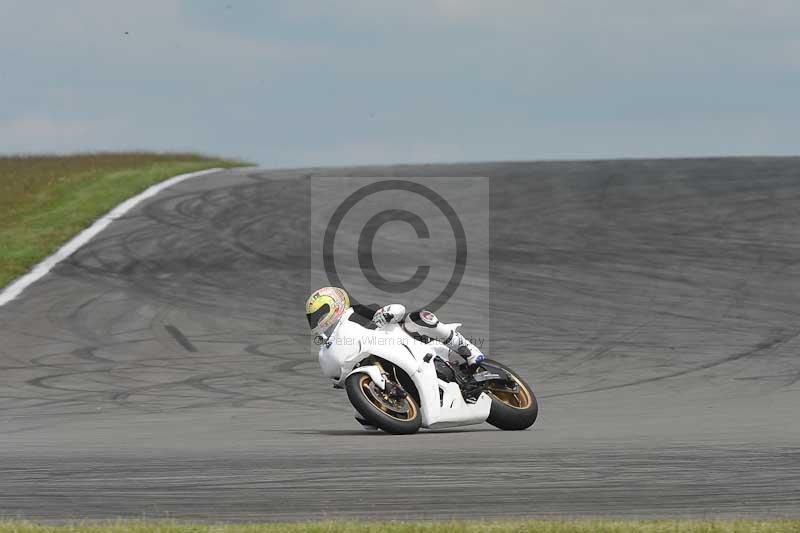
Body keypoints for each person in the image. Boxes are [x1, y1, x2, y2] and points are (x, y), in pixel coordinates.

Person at [305, 286, 486, 368]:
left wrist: (387, 313)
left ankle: (466, 348)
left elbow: (393, 310)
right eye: (314, 318)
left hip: (404, 341)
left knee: (419, 318)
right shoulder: (329, 342)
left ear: (334, 304)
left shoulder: (357, 312)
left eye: (321, 313)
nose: (319, 320)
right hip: (380, 358)